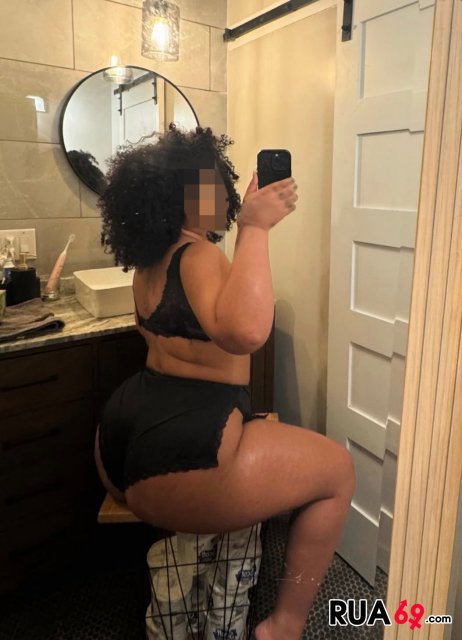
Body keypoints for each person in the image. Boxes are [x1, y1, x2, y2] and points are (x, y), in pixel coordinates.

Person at [94, 125, 355, 640]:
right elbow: (246, 332)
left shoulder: (148, 263)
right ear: (180, 197)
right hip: (180, 456)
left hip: (119, 444)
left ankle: (187, 572)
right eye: (212, 186)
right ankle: (283, 625)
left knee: (271, 442)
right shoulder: (198, 256)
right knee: (338, 472)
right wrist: (254, 229)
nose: (225, 198)